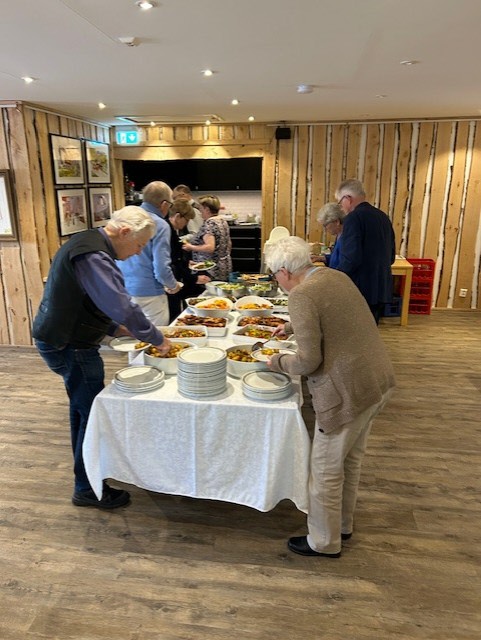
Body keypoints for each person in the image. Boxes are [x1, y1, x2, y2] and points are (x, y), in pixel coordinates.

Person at [32, 206, 172, 509]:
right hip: (71, 345)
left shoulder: (88, 242)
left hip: (63, 339)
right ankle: (87, 489)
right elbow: (122, 305)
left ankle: (88, 480)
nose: (138, 253)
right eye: (139, 245)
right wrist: (157, 338)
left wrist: (115, 328)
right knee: (91, 416)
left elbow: (85, 299)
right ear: (125, 232)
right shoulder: (94, 255)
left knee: (83, 411)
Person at [264, 236, 395, 557]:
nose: (276, 281)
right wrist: (291, 328)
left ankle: (323, 542)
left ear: (284, 272)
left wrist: (277, 361)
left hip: (346, 393)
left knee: (324, 470)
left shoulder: (301, 295)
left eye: (274, 275)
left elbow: (307, 362)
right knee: (349, 461)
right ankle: (343, 525)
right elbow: (332, 316)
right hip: (376, 381)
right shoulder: (333, 275)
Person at [118, 181, 181, 326]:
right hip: (150, 293)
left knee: (129, 336)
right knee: (156, 336)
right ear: (164, 204)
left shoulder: (126, 218)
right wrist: (173, 285)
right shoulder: (160, 224)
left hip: (123, 289)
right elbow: (161, 267)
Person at [334, 179, 396, 324]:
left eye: (340, 203)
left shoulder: (353, 218)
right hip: (381, 287)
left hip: (360, 288)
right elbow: (391, 256)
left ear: (348, 199)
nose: (341, 207)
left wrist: (335, 278)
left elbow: (351, 258)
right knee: (371, 330)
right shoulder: (383, 217)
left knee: (355, 331)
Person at [166, 198, 211, 321]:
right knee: (173, 314)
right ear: (177, 216)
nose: (186, 224)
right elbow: (174, 261)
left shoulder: (171, 230)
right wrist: (194, 279)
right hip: (170, 281)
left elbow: (177, 256)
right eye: (186, 220)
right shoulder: (167, 230)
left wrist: (187, 262)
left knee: (175, 310)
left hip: (173, 279)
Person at [182, 194, 232, 281]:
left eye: (201, 208)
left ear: (207, 209)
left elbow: (210, 247)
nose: (200, 212)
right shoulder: (222, 221)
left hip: (210, 269)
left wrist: (191, 247)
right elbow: (229, 243)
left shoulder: (209, 224)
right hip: (224, 265)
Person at [316, 202, 346, 269]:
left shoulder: (346, 239)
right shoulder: (339, 235)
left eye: (325, 225)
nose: (325, 229)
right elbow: (335, 259)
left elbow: (343, 265)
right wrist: (321, 258)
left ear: (337, 222)